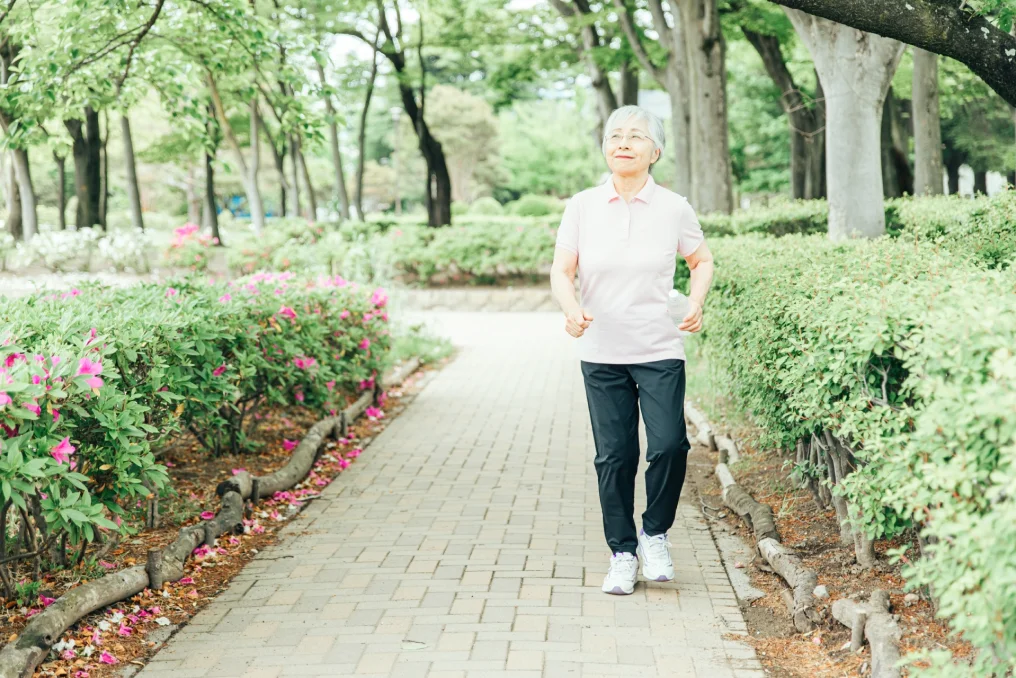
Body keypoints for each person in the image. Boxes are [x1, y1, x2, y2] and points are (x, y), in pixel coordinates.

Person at [549, 105, 715, 595]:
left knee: (668, 445)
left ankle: (654, 534)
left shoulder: (673, 207)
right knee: (614, 456)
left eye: (636, 136)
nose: (623, 142)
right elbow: (562, 270)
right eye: (615, 135)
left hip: (659, 346)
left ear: (655, 151)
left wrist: (698, 301)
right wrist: (570, 308)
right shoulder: (582, 205)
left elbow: (701, 261)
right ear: (605, 146)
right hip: (601, 350)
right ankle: (622, 552)